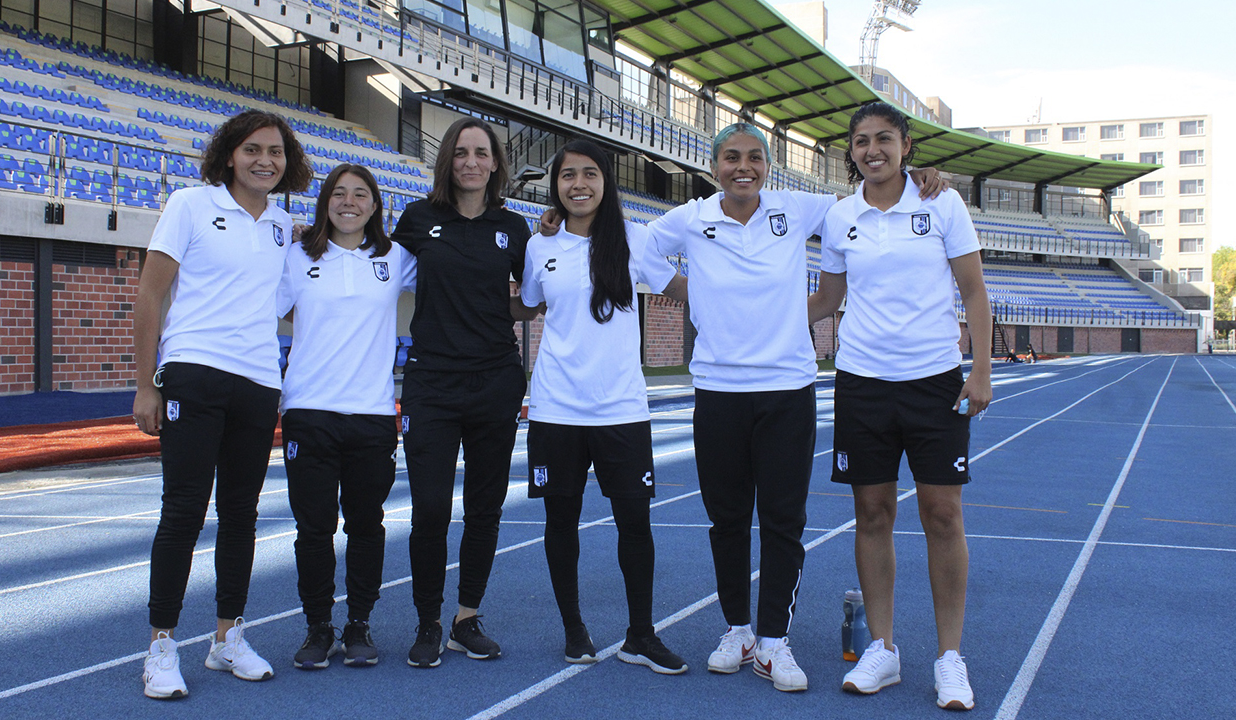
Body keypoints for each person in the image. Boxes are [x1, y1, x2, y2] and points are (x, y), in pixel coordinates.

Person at [646, 122, 946, 693]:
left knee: (783, 521)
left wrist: (915, 179)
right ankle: (737, 629)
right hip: (717, 389)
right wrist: (693, 294)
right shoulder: (692, 217)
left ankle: (774, 640)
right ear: (714, 169)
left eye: (755, 158)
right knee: (727, 519)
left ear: (767, 166)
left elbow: (865, 200)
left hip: (787, 389)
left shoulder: (800, 208)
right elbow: (639, 254)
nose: (744, 167)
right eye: (731, 157)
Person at [808, 101, 991, 711]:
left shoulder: (941, 202)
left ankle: (949, 657)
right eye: (861, 142)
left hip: (934, 381)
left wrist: (981, 371)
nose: (872, 150)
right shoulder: (840, 216)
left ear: (906, 144)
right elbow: (828, 297)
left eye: (883, 138)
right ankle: (882, 648)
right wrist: (751, 313)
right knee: (872, 511)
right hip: (861, 382)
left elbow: (973, 290)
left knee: (942, 514)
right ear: (851, 152)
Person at [132, 109, 312, 699]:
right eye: (254, 149)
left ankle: (227, 637)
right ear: (229, 154)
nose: (265, 160)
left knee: (241, 513)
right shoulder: (189, 204)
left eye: (276, 152)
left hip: (258, 381)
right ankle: (161, 644)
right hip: (195, 373)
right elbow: (151, 295)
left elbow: (294, 301)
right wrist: (145, 383)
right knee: (183, 510)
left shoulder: (285, 226)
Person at [514, 140, 690, 673]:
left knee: (635, 523)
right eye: (568, 176)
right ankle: (574, 630)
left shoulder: (632, 241)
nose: (579, 184)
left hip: (621, 409)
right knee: (560, 521)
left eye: (590, 174)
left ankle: (641, 635)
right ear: (556, 185)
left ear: (606, 182)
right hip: (556, 408)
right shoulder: (538, 246)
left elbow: (680, 289)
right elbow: (523, 306)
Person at [389, 116, 533, 668]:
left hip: (495, 379)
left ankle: (466, 617)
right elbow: (375, 268)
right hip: (432, 383)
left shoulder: (514, 227)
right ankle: (427, 620)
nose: (471, 161)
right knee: (428, 508)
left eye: (481, 152)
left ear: (496, 163)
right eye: (460, 152)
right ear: (447, 160)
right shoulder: (418, 219)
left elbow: (526, 299)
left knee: (484, 508)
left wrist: (524, 305)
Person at [276, 164, 416, 669]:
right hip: (308, 411)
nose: (349, 202)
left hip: (372, 415)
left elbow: (455, 277)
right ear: (324, 202)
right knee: (313, 528)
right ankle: (317, 626)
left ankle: (359, 625)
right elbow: (274, 306)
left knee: (366, 524)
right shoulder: (295, 255)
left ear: (376, 206)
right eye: (339, 193)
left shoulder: (396, 258)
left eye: (361, 194)